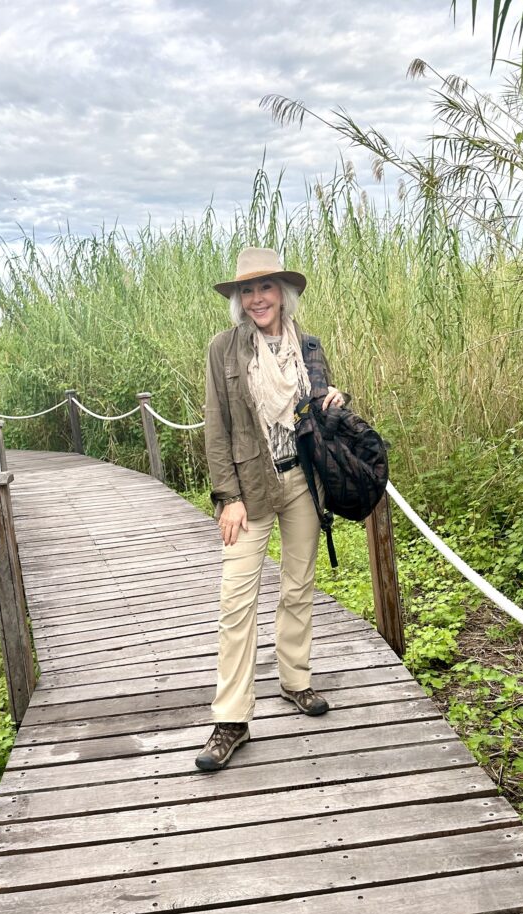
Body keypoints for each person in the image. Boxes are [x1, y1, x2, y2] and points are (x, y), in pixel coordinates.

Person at [196, 247, 345, 771]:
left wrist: (333, 401)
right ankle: (232, 719)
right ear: (239, 300)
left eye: (266, 288)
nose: (257, 298)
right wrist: (228, 497)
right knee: (237, 599)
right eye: (247, 291)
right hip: (251, 487)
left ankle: (295, 680)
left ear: (284, 292)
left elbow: (320, 399)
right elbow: (216, 428)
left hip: (301, 481)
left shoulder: (308, 345)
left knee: (298, 584)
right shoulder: (224, 349)